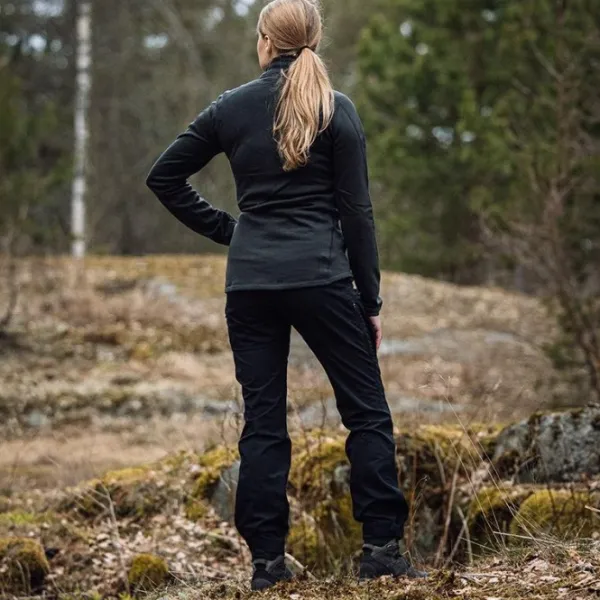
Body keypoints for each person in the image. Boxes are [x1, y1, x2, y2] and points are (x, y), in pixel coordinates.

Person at [146, 0, 426, 590]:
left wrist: (232, 232)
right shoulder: (336, 109)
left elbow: (164, 176)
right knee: (366, 413)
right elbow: (358, 214)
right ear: (313, 41)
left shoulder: (230, 107)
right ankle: (381, 552)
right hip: (322, 279)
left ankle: (267, 567)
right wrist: (370, 302)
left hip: (250, 286)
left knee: (264, 424)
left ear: (265, 42)